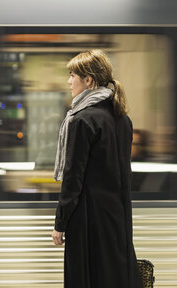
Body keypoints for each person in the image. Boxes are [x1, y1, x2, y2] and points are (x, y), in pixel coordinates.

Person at [51, 50, 143, 288]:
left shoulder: (81, 120)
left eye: (73, 75)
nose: (69, 81)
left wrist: (60, 223)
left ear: (88, 80)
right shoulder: (122, 119)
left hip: (87, 220)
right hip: (116, 216)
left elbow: (73, 178)